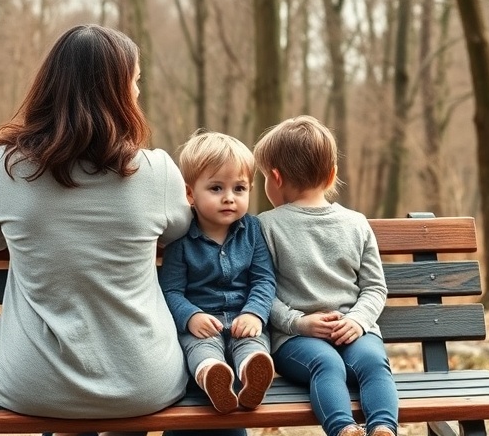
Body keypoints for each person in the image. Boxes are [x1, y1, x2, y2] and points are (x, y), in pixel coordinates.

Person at [0, 24, 194, 419]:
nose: (138, 93)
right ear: (116, 94)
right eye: (134, 82)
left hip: (30, 386)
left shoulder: (5, 169)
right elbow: (178, 228)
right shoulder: (157, 171)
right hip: (144, 383)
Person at [253, 116, 398, 436]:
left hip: (354, 334)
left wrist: (357, 322)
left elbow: (374, 286)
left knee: (373, 362)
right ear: (332, 174)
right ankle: (344, 429)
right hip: (298, 340)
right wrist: (299, 323)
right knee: (328, 364)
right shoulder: (268, 227)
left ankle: (384, 429)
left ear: (275, 178)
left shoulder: (355, 224)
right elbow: (261, 291)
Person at [158, 130, 276, 414]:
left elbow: (263, 279)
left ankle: (253, 373)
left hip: (242, 321)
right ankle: (213, 377)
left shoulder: (253, 231)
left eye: (239, 188)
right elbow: (170, 290)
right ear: (190, 194)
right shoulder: (182, 239)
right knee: (200, 350)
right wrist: (190, 316)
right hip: (202, 325)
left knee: (253, 344)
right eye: (216, 188)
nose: (229, 198)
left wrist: (254, 313)